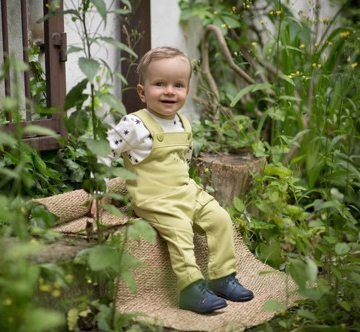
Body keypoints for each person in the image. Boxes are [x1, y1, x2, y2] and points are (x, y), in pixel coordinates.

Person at [92, 46, 254, 314]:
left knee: (220, 219)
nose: (169, 91)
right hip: (155, 198)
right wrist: (100, 189)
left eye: (178, 85)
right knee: (181, 229)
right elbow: (104, 149)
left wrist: (191, 190)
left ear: (186, 91)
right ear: (142, 92)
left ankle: (222, 277)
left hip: (186, 191)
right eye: (160, 84)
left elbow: (184, 159)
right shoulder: (134, 124)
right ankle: (190, 288)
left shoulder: (183, 123)